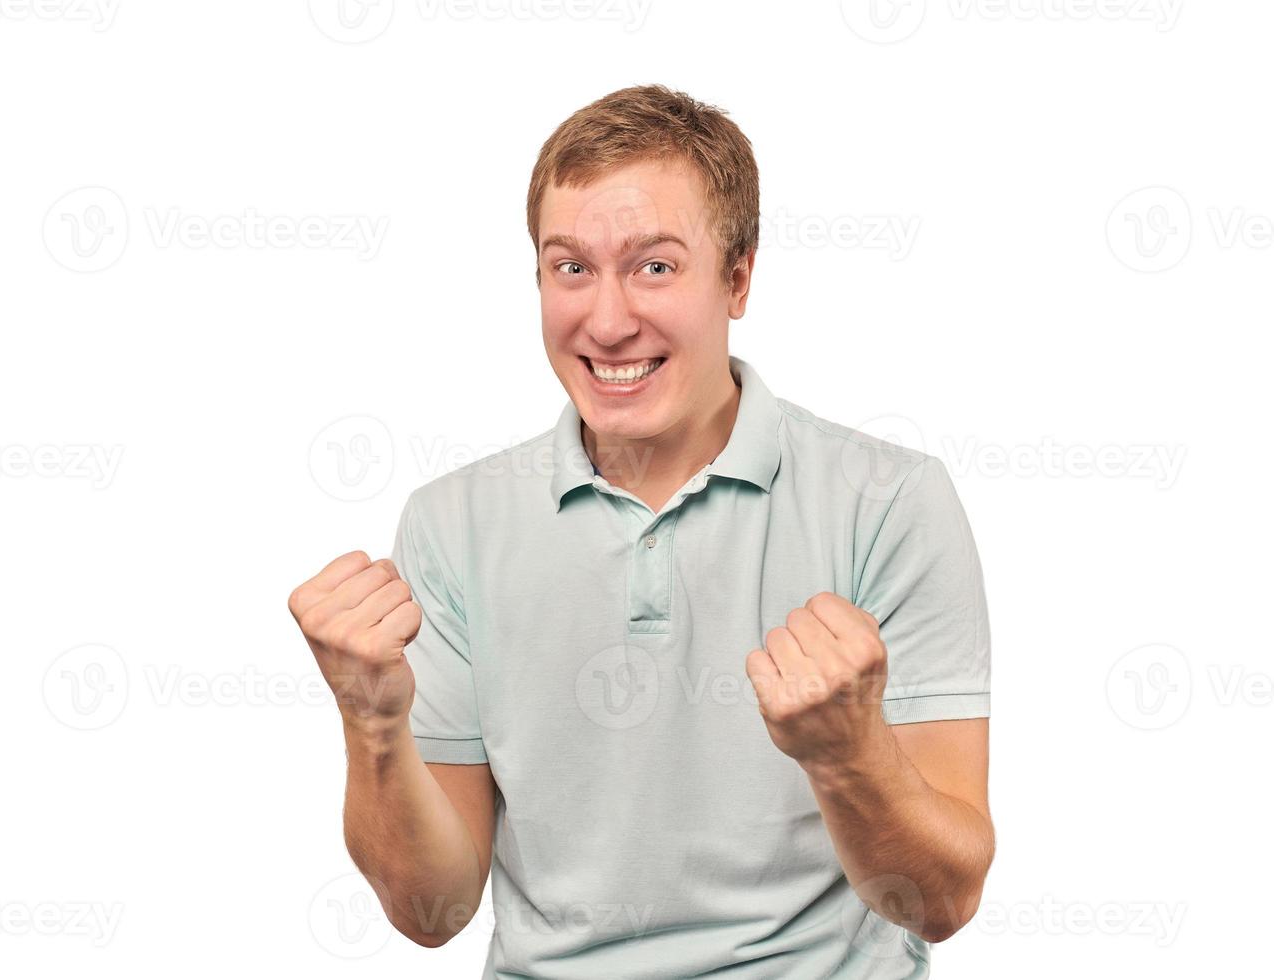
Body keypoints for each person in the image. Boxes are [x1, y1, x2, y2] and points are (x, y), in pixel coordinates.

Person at [287, 83, 994, 979]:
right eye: (570, 267)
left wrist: (849, 753)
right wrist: (371, 725)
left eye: (654, 266)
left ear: (737, 277)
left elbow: (940, 903)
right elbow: (436, 910)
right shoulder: (452, 523)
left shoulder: (892, 502)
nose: (608, 321)